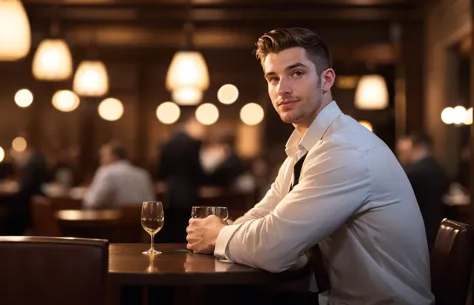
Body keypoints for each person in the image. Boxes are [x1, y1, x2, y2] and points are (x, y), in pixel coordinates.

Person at [186, 27, 434, 305]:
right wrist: (226, 231)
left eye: (297, 73)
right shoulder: (304, 147)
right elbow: (263, 217)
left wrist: (218, 234)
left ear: (326, 80)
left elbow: (274, 247)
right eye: (273, 78)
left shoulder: (344, 149)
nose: (282, 88)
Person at [156, 111, 206, 242]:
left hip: (171, 191)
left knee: (173, 227)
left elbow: (161, 169)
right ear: (190, 124)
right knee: (187, 226)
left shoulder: (166, 143)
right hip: (188, 191)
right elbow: (196, 169)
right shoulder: (192, 143)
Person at [397, 133, 449, 251]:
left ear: (418, 148)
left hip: (417, 231)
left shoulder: (414, 172)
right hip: (436, 228)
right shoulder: (439, 168)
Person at [83, 140, 154, 209]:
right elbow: (150, 202)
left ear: (115, 156)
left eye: (103, 156)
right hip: (140, 220)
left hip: (115, 220)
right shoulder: (143, 174)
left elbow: (92, 202)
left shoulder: (106, 172)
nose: (101, 161)